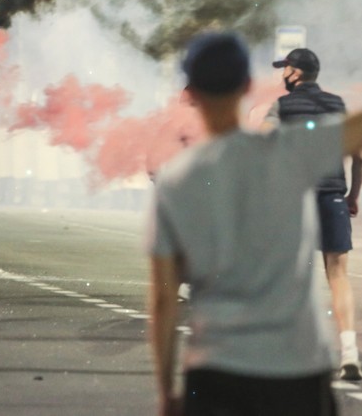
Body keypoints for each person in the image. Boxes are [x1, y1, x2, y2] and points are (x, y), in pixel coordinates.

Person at [148, 32, 362, 416]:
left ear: (192, 91)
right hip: (298, 370)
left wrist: (166, 391)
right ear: (247, 86)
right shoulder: (290, 153)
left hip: (215, 371)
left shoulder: (176, 182)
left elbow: (164, 299)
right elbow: (356, 130)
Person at [261, 47, 362, 381]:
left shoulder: (283, 106)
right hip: (332, 196)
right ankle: (349, 352)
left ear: (294, 72)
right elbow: (359, 152)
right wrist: (352, 195)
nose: (281, 75)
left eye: (284, 69)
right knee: (338, 274)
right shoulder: (337, 105)